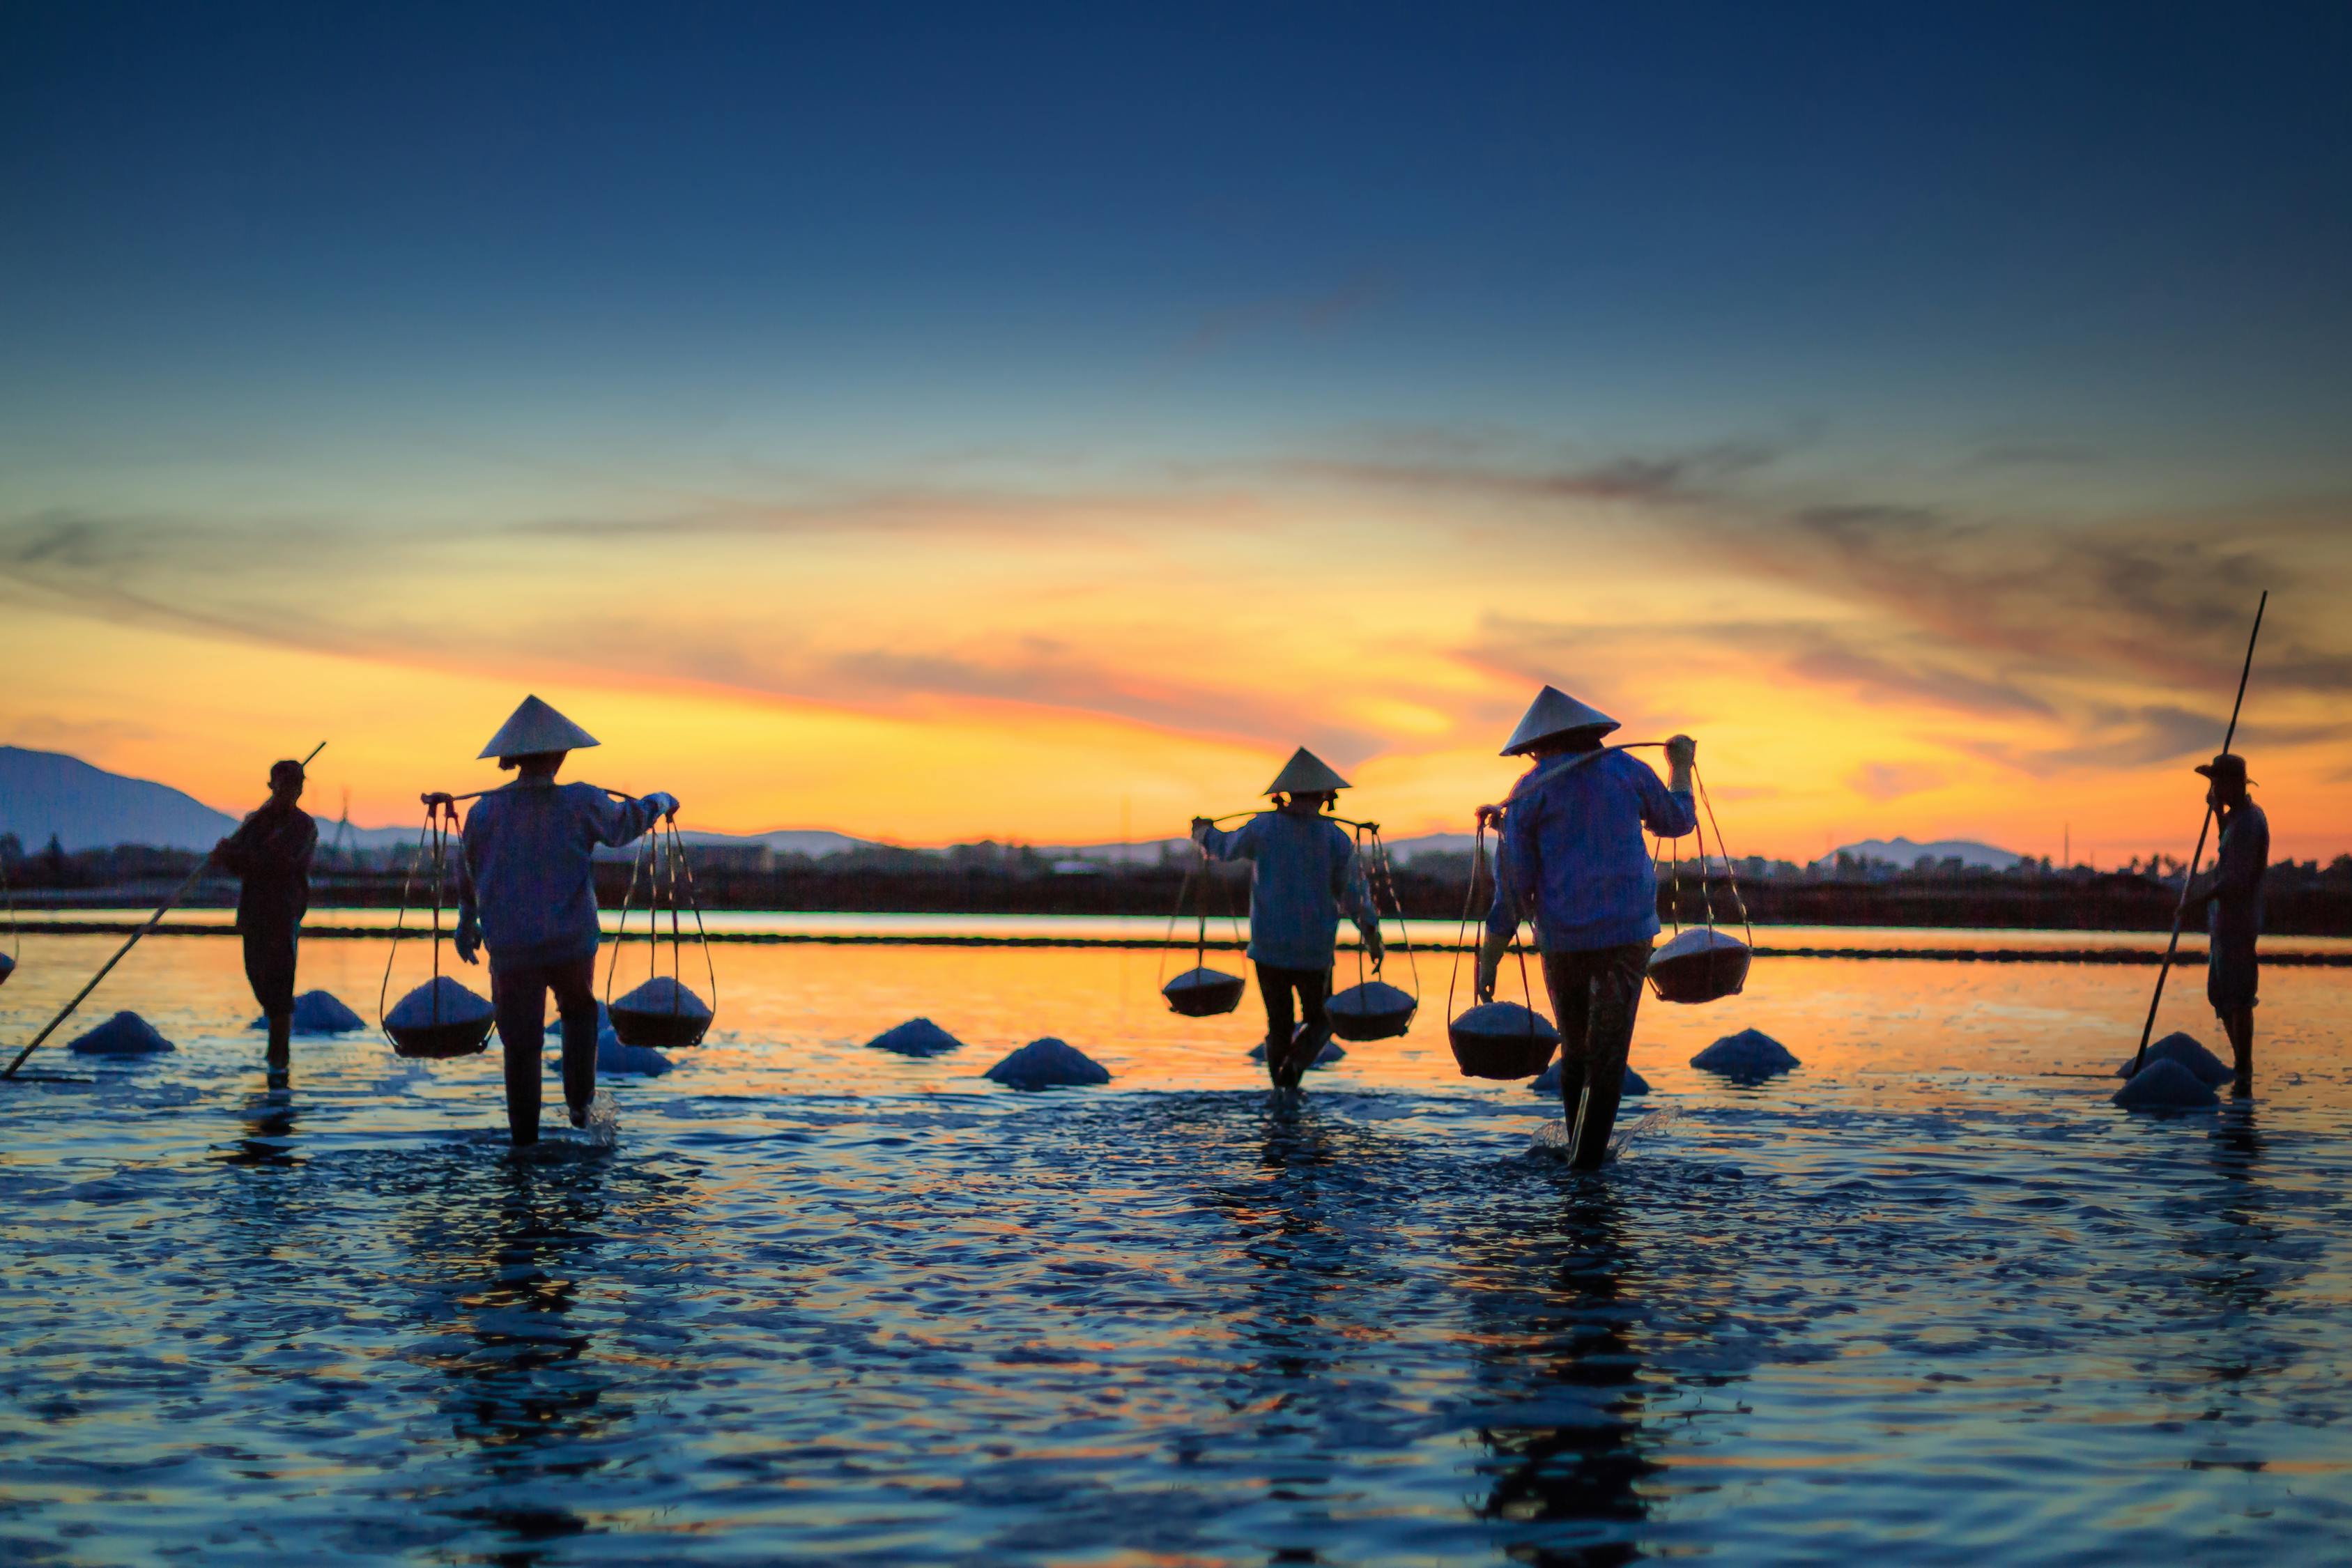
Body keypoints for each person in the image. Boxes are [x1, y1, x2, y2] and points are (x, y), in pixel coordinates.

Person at [1474, 686, 1696, 1169]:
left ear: (1539, 745)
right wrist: (1680, 766)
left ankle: (1581, 1156)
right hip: (1626, 934)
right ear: (1594, 735)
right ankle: (1588, 1161)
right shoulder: (1627, 771)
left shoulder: (1531, 790)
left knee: (1575, 1049)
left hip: (1563, 937)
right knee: (1608, 1052)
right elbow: (1677, 821)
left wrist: (1489, 956)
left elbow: (1514, 885)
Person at [445, 696, 677, 1146]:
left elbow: (467, 874)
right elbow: (624, 825)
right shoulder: (580, 801)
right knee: (580, 1012)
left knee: (521, 1044)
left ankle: (524, 1143)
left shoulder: (483, 811)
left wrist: (466, 922)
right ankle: (578, 1106)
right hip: (569, 941)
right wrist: (660, 801)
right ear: (558, 755)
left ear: (513, 758)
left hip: (510, 945)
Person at [1192, 748, 1383, 1090]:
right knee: (1322, 1021)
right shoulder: (1335, 838)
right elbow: (1353, 894)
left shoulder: (1263, 828)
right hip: (1314, 948)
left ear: (1284, 795)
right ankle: (1293, 1069)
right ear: (1326, 797)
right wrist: (1371, 935)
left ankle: (1282, 1089)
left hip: (1269, 948)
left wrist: (1203, 833)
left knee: (1279, 1025)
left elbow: (1224, 847)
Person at [214, 759, 317, 1078]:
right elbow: (240, 864)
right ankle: (275, 1055)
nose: (291, 791)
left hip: (283, 914)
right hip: (254, 914)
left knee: (280, 988)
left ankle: (279, 1059)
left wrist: (238, 854)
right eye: (285, 785)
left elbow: (280, 862)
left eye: (296, 785)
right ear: (272, 786)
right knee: (257, 979)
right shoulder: (254, 823)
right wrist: (226, 853)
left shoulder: (303, 827)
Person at [2184, 751, 2268, 1095]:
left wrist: (2195, 903)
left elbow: (2234, 880)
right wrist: (2218, 813)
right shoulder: (2236, 819)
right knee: (2221, 996)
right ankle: (2240, 1068)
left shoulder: (2250, 822)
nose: (2214, 788)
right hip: (2222, 925)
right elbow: (2226, 846)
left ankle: (2244, 1069)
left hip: (2237, 922)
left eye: (2217, 782)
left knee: (2238, 997)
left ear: (2234, 784)